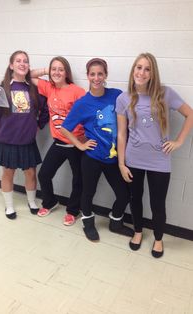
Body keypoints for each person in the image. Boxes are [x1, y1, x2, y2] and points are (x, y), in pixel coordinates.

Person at [116, 52, 193, 257]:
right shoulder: (123, 98)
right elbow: (122, 134)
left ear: (153, 73)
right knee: (135, 199)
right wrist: (122, 164)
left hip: (159, 160)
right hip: (133, 159)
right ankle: (138, 231)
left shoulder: (165, 93)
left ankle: (158, 239)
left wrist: (179, 141)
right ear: (133, 70)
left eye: (147, 69)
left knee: (157, 203)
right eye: (138, 67)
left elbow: (190, 114)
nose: (142, 72)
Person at [61, 58, 134, 241]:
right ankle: (88, 222)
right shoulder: (82, 103)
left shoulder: (116, 95)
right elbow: (64, 128)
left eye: (100, 73)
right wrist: (80, 144)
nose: (96, 78)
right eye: (92, 74)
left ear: (105, 75)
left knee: (124, 194)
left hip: (113, 158)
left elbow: (134, 103)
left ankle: (115, 221)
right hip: (92, 157)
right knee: (88, 192)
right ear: (87, 76)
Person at [0, 50, 49, 220]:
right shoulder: (2, 87)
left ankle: (32, 202)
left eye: (25, 61)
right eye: (18, 61)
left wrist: (38, 124)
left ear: (28, 66)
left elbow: (46, 108)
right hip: (7, 140)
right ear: (11, 65)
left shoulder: (33, 88)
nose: (22, 63)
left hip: (27, 140)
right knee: (8, 173)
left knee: (31, 173)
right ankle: (9, 206)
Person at [30, 56, 86, 226]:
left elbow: (87, 116)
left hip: (76, 144)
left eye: (60, 69)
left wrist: (84, 140)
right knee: (44, 174)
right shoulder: (49, 88)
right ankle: (50, 202)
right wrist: (47, 71)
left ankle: (72, 211)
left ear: (66, 72)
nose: (57, 72)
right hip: (59, 143)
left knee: (78, 180)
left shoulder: (77, 91)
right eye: (53, 69)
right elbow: (28, 76)